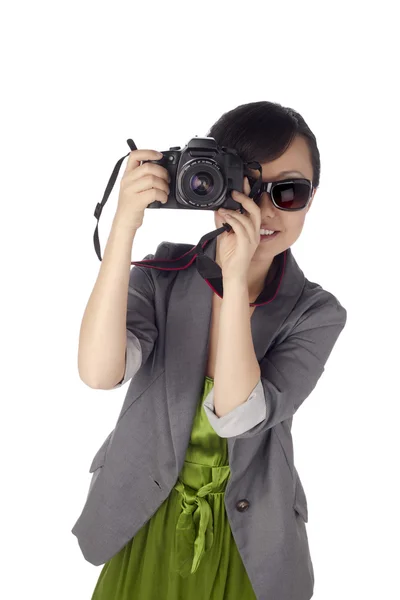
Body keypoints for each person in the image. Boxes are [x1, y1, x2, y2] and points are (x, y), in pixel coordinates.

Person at [75, 101, 346, 600]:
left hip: (251, 540)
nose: (264, 210)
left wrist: (236, 279)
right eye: (245, 183)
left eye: (288, 192)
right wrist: (122, 228)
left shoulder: (317, 313)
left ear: (313, 198)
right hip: (142, 515)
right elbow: (98, 372)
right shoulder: (163, 275)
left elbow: (236, 415)